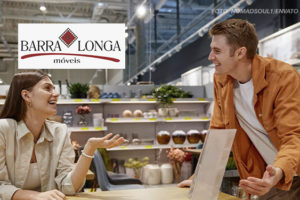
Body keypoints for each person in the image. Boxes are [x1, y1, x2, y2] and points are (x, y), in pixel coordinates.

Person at [179, 18, 300, 200]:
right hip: (269, 174)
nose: (211, 57)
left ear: (240, 52)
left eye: (217, 51)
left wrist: (279, 170)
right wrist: (201, 179)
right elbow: (218, 133)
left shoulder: (282, 77)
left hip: (288, 169)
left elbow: (294, 136)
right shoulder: (222, 80)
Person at [0, 70, 125, 200]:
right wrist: (35, 196)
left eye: (54, 88)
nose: (56, 93)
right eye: (47, 88)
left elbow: (69, 187)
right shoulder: (3, 130)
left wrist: (89, 148)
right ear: (27, 96)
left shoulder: (60, 131)